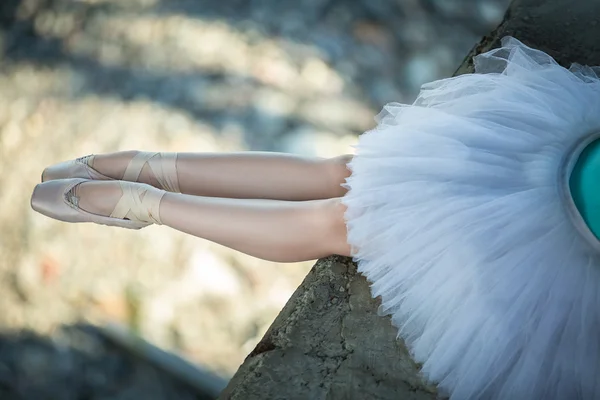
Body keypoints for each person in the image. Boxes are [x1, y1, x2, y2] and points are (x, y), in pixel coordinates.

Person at [31, 37, 600, 399]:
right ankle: (135, 201)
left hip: (571, 161)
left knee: (340, 181)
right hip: (565, 213)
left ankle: (130, 169)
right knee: (339, 215)